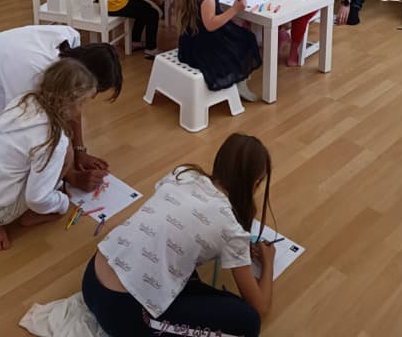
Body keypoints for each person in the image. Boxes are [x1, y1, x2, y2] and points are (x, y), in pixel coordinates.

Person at [82, 133, 275, 337]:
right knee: (248, 322)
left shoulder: (183, 174)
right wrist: (268, 262)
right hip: (120, 310)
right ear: (255, 184)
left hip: (92, 277)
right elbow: (260, 307)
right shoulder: (230, 228)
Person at [0, 25, 122, 191]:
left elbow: (73, 107)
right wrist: (69, 174)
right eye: (92, 93)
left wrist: (79, 150)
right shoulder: (32, 73)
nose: (90, 99)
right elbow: (29, 132)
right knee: (14, 164)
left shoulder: (71, 42)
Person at [0, 57, 97, 251]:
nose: (81, 111)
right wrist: (62, 202)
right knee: (63, 158)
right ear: (70, 102)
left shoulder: (22, 101)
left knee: (25, 163)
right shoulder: (53, 140)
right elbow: (36, 198)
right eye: (82, 103)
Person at [176, 0, 261, 102]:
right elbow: (211, 24)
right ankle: (240, 80)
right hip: (206, 45)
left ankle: (240, 78)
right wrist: (235, 10)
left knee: (241, 37)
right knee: (247, 39)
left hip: (190, 42)